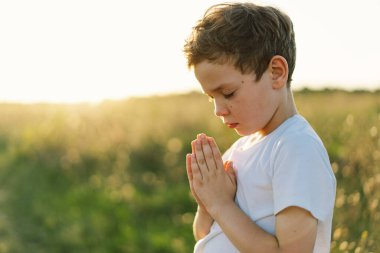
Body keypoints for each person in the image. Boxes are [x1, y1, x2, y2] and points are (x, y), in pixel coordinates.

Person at [183, 2, 336, 253]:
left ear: (276, 73)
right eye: (212, 98)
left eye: (228, 93)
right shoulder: (238, 150)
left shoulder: (296, 147)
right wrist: (206, 202)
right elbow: (204, 234)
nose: (218, 110)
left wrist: (221, 204)